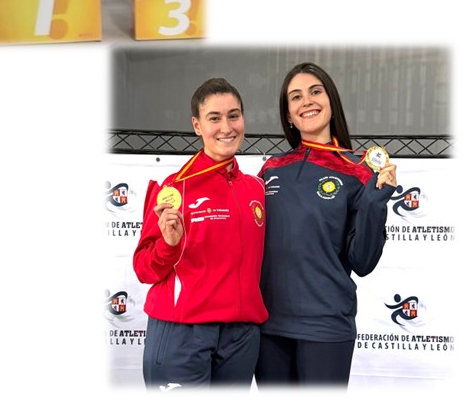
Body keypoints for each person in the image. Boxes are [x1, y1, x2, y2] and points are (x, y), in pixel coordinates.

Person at [256, 62, 398, 387]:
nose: (306, 101)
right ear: (288, 115)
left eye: (315, 92)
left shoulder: (358, 171)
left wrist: (376, 201)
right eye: (296, 97)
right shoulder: (270, 170)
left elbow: (363, 262)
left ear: (331, 101)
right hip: (268, 325)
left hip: (326, 326)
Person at [132, 78, 267, 389]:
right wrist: (169, 245)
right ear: (197, 125)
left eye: (234, 116)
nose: (226, 128)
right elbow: (143, 269)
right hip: (183, 332)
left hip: (240, 336)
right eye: (214, 118)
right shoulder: (174, 188)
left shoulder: (256, 189)